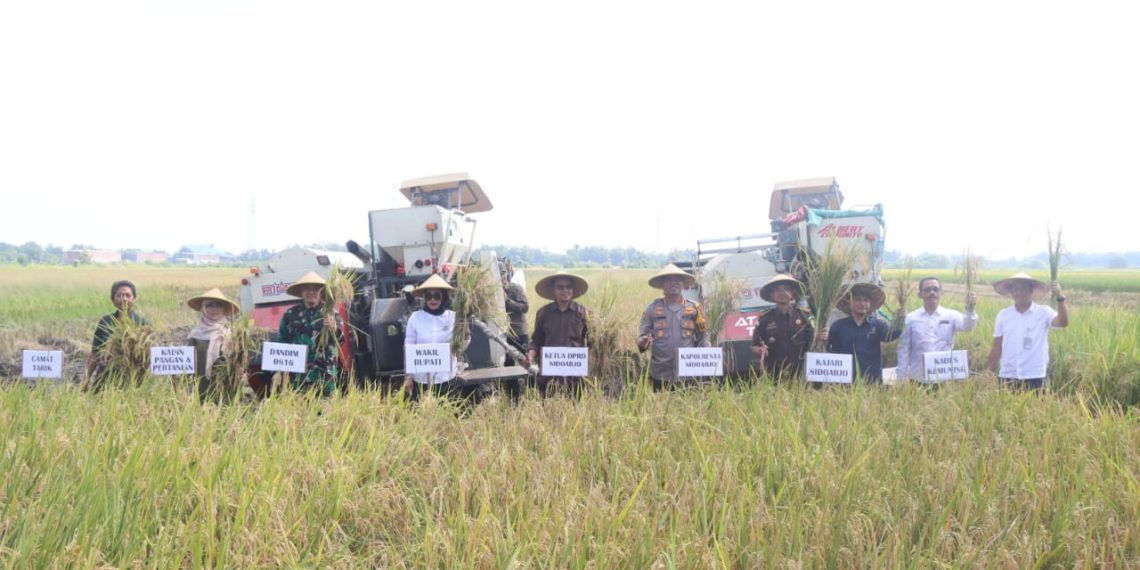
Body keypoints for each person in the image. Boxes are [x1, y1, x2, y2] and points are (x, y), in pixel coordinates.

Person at [987, 272, 1069, 391]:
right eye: (1015, 289)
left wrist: (1060, 298)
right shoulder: (1003, 315)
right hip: (1008, 374)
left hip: (1035, 375)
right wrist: (989, 372)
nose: (1019, 293)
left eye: (1023, 289)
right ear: (1011, 292)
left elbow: (1063, 322)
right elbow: (997, 346)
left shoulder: (1044, 312)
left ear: (1031, 291)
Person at [637, 264, 710, 390]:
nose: (673, 283)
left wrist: (707, 360)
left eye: (678, 280)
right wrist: (643, 342)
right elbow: (641, 340)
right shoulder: (652, 309)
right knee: (660, 402)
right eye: (669, 280)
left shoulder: (695, 308)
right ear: (662, 285)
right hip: (660, 374)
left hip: (689, 374)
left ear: (683, 285)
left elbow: (703, 338)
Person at [896, 277, 979, 381]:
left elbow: (968, 327)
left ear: (941, 293)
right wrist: (901, 378)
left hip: (946, 378)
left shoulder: (951, 315)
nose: (932, 292)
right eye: (927, 290)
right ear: (920, 295)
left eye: (935, 289)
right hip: (918, 379)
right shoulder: (910, 319)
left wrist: (970, 308)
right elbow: (903, 349)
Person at [278, 271, 343, 397]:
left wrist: (333, 328)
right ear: (301, 292)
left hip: (324, 376)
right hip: (297, 378)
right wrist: (278, 371)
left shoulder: (331, 313)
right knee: (298, 408)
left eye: (315, 289)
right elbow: (281, 342)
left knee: (326, 408)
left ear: (321, 292)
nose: (311, 292)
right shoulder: (290, 315)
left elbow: (340, 340)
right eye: (307, 289)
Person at [525, 270, 590, 396]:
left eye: (568, 287)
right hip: (548, 377)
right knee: (547, 406)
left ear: (573, 290)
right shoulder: (543, 313)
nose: (565, 290)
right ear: (553, 290)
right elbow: (536, 341)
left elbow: (592, 343)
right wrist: (530, 357)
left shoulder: (584, 313)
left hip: (575, 377)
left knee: (575, 406)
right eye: (560, 287)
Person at [404, 274, 467, 400]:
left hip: (446, 378)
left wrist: (466, 332)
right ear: (424, 298)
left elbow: (460, 347)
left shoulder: (453, 317)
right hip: (421, 379)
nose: (433, 299)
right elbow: (408, 347)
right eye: (429, 296)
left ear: (443, 297)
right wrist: (408, 376)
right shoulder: (415, 318)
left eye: (437, 296)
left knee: (448, 410)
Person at [826, 282, 902, 384]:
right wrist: (823, 338)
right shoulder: (838, 326)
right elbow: (832, 352)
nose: (862, 304)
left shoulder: (877, 325)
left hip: (872, 380)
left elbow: (890, 336)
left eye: (866, 300)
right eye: (858, 300)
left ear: (870, 304)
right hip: (845, 381)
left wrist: (900, 320)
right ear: (850, 302)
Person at [750, 274, 816, 379]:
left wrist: (822, 335)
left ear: (792, 293)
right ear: (772, 295)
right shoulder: (765, 319)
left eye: (786, 289)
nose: (782, 292)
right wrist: (760, 351)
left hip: (801, 373)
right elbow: (754, 346)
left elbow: (814, 340)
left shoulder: (804, 316)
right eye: (778, 290)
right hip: (773, 375)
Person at [86, 279, 150, 388]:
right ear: (113, 300)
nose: (124, 299)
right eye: (119, 296)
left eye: (128, 295)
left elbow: (149, 357)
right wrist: (86, 379)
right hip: (105, 379)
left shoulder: (143, 324)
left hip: (133, 381)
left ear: (134, 299)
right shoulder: (105, 322)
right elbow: (95, 353)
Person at [186, 288, 240, 399]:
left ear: (223, 309)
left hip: (225, 387)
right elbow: (187, 364)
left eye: (218, 305)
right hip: (201, 386)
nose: (214, 309)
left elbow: (238, 361)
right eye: (209, 305)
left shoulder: (230, 334)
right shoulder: (195, 335)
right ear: (203, 308)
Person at [500, 259, 530, 363]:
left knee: (525, 362)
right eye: (499, 274)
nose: (502, 277)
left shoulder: (515, 288)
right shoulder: (492, 292)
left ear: (506, 274)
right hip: (504, 334)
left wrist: (507, 301)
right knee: (508, 363)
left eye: (503, 273)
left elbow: (525, 307)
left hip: (519, 332)